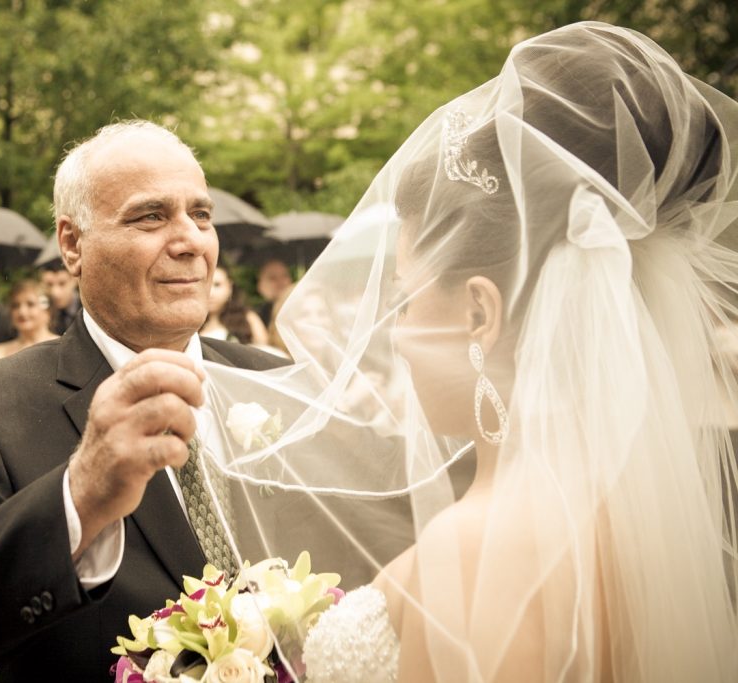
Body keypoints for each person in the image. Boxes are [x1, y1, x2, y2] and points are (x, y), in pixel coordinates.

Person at [203, 21, 738, 682]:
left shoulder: (478, 551)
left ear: (480, 312)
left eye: (405, 299)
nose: (395, 334)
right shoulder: (637, 522)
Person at [0, 120, 287, 681]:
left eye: (201, 214)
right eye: (150, 216)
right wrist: (81, 495)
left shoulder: (279, 384)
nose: (191, 240)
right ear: (73, 244)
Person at [0, 279, 58, 365]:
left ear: (48, 311)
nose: (22, 312)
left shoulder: (61, 347)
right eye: (15, 306)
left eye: (30, 304)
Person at [201, 265, 270, 346]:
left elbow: (264, 349)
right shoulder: (194, 322)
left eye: (217, 285)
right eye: (205, 285)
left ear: (230, 287)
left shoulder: (247, 317)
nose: (210, 292)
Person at [40, 260, 81, 335]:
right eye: (49, 284)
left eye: (62, 283)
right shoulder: (42, 311)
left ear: (75, 280)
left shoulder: (89, 310)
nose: (55, 292)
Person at [254, 257, 293, 326]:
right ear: (260, 286)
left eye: (284, 275)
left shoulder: (304, 309)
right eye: (272, 278)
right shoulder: (256, 319)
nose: (280, 281)